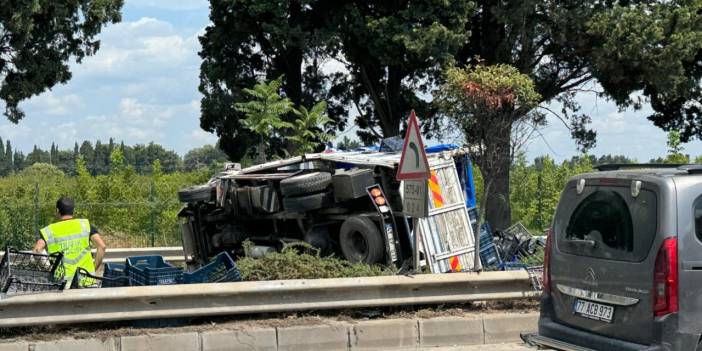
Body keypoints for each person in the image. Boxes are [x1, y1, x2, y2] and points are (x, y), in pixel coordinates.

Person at [32, 197, 107, 285]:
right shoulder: (84, 225)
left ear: (57, 210)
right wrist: (93, 270)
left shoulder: (49, 230)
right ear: (73, 210)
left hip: (62, 285)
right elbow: (102, 246)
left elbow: (37, 250)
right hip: (87, 282)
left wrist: (49, 269)